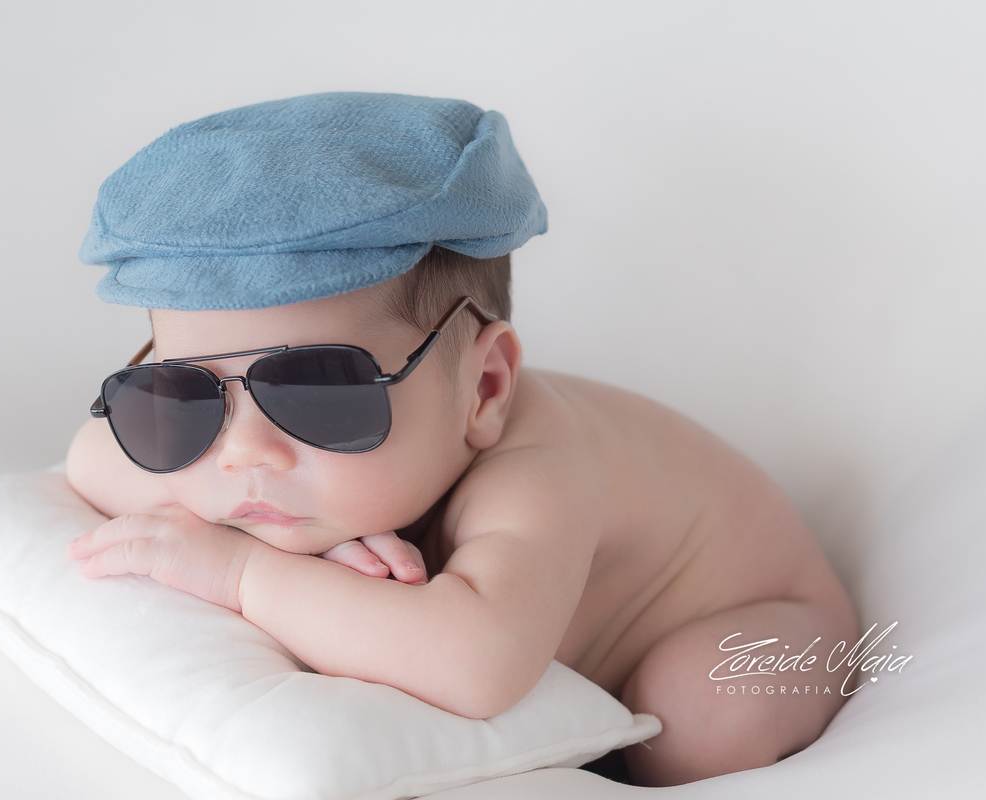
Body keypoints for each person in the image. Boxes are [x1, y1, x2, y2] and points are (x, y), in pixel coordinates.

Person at [63, 92, 859, 786]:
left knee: (704, 714)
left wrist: (243, 571)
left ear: (484, 390)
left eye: (317, 393)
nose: (243, 455)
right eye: (181, 396)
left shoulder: (538, 471)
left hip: (757, 616)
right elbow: (90, 458)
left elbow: (477, 662)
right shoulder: (276, 465)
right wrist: (318, 538)